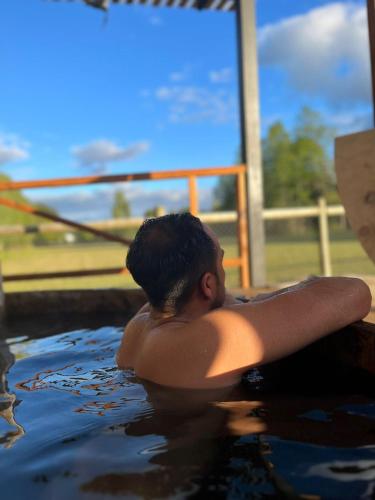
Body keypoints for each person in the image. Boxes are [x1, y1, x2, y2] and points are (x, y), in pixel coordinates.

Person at [116, 213, 372, 389]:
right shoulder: (212, 336)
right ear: (208, 285)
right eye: (220, 261)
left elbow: (226, 303)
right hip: (209, 466)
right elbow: (355, 293)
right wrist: (282, 293)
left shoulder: (139, 326)